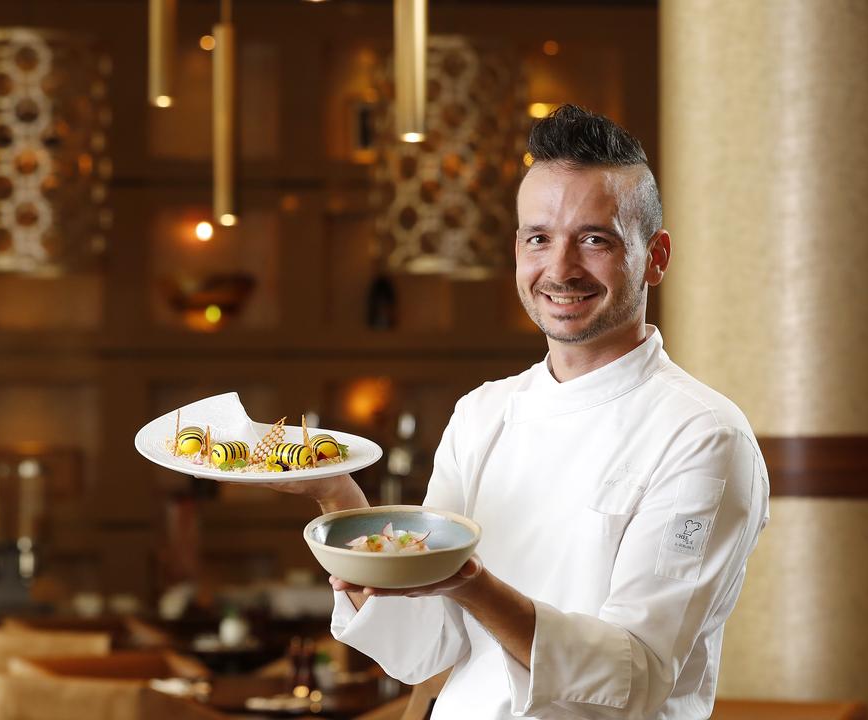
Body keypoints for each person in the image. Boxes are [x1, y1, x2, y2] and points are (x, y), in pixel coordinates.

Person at [249, 105, 770, 719]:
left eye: (595, 239)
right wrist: (339, 499)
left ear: (655, 256)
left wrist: (469, 581)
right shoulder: (482, 413)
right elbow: (423, 650)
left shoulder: (703, 436)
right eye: (539, 238)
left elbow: (637, 678)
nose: (560, 269)